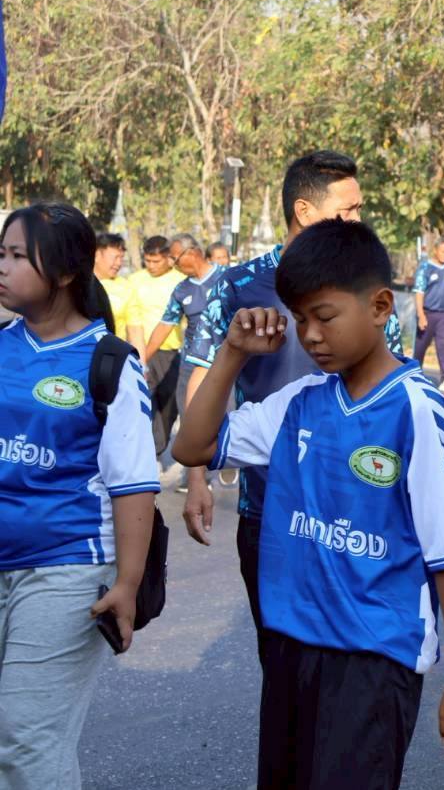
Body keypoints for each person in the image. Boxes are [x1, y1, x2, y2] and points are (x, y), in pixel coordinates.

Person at [173, 220, 444, 786]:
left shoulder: (419, 409)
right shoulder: (298, 401)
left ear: (381, 307)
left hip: (374, 659)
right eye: (299, 320)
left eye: (325, 316)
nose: (310, 335)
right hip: (291, 647)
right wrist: (232, 354)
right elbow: (191, 446)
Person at [182, 150, 403, 665]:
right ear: (304, 210)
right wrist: (197, 479)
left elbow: (389, 386)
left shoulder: (368, 289)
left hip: (351, 513)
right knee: (282, 661)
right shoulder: (237, 286)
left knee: (351, 661)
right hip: (268, 508)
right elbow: (201, 378)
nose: (357, 220)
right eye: (347, 209)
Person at [0, 203, 159, 787]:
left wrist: (127, 585)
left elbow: (134, 483)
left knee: (27, 739)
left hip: (65, 569)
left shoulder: (109, 363)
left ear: (66, 272)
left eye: (18, 256)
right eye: (1, 253)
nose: (3, 266)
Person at [145, 234, 225, 494]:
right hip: (190, 365)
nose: (172, 263)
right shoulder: (181, 290)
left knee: (218, 419)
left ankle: (213, 469)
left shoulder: (227, 278)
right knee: (190, 419)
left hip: (225, 364)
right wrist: (141, 360)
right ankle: (194, 474)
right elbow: (165, 325)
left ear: (192, 253)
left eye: (175, 258)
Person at [125, 235, 183, 455]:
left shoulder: (180, 281)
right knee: (145, 400)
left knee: (169, 405)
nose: (151, 266)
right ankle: (150, 451)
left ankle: (159, 444)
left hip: (170, 352)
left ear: (168, 258)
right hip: (140, 351)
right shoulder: (134, 281)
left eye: (156, 261)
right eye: (147, 261)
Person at [413, 237, 444, 391]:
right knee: (420, 347)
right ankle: (414, 375)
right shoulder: (425, 267)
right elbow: (419, 293)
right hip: (427, 313)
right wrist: (421, 315)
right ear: (435, 251)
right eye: (442, 251)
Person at [93, 231, 129, 338]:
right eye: (115, 257)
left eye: (121, 258)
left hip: (114, 346)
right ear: (97, 255)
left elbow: (135, 330)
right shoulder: (77, 284)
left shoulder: (127, 287)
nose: (119, 263)